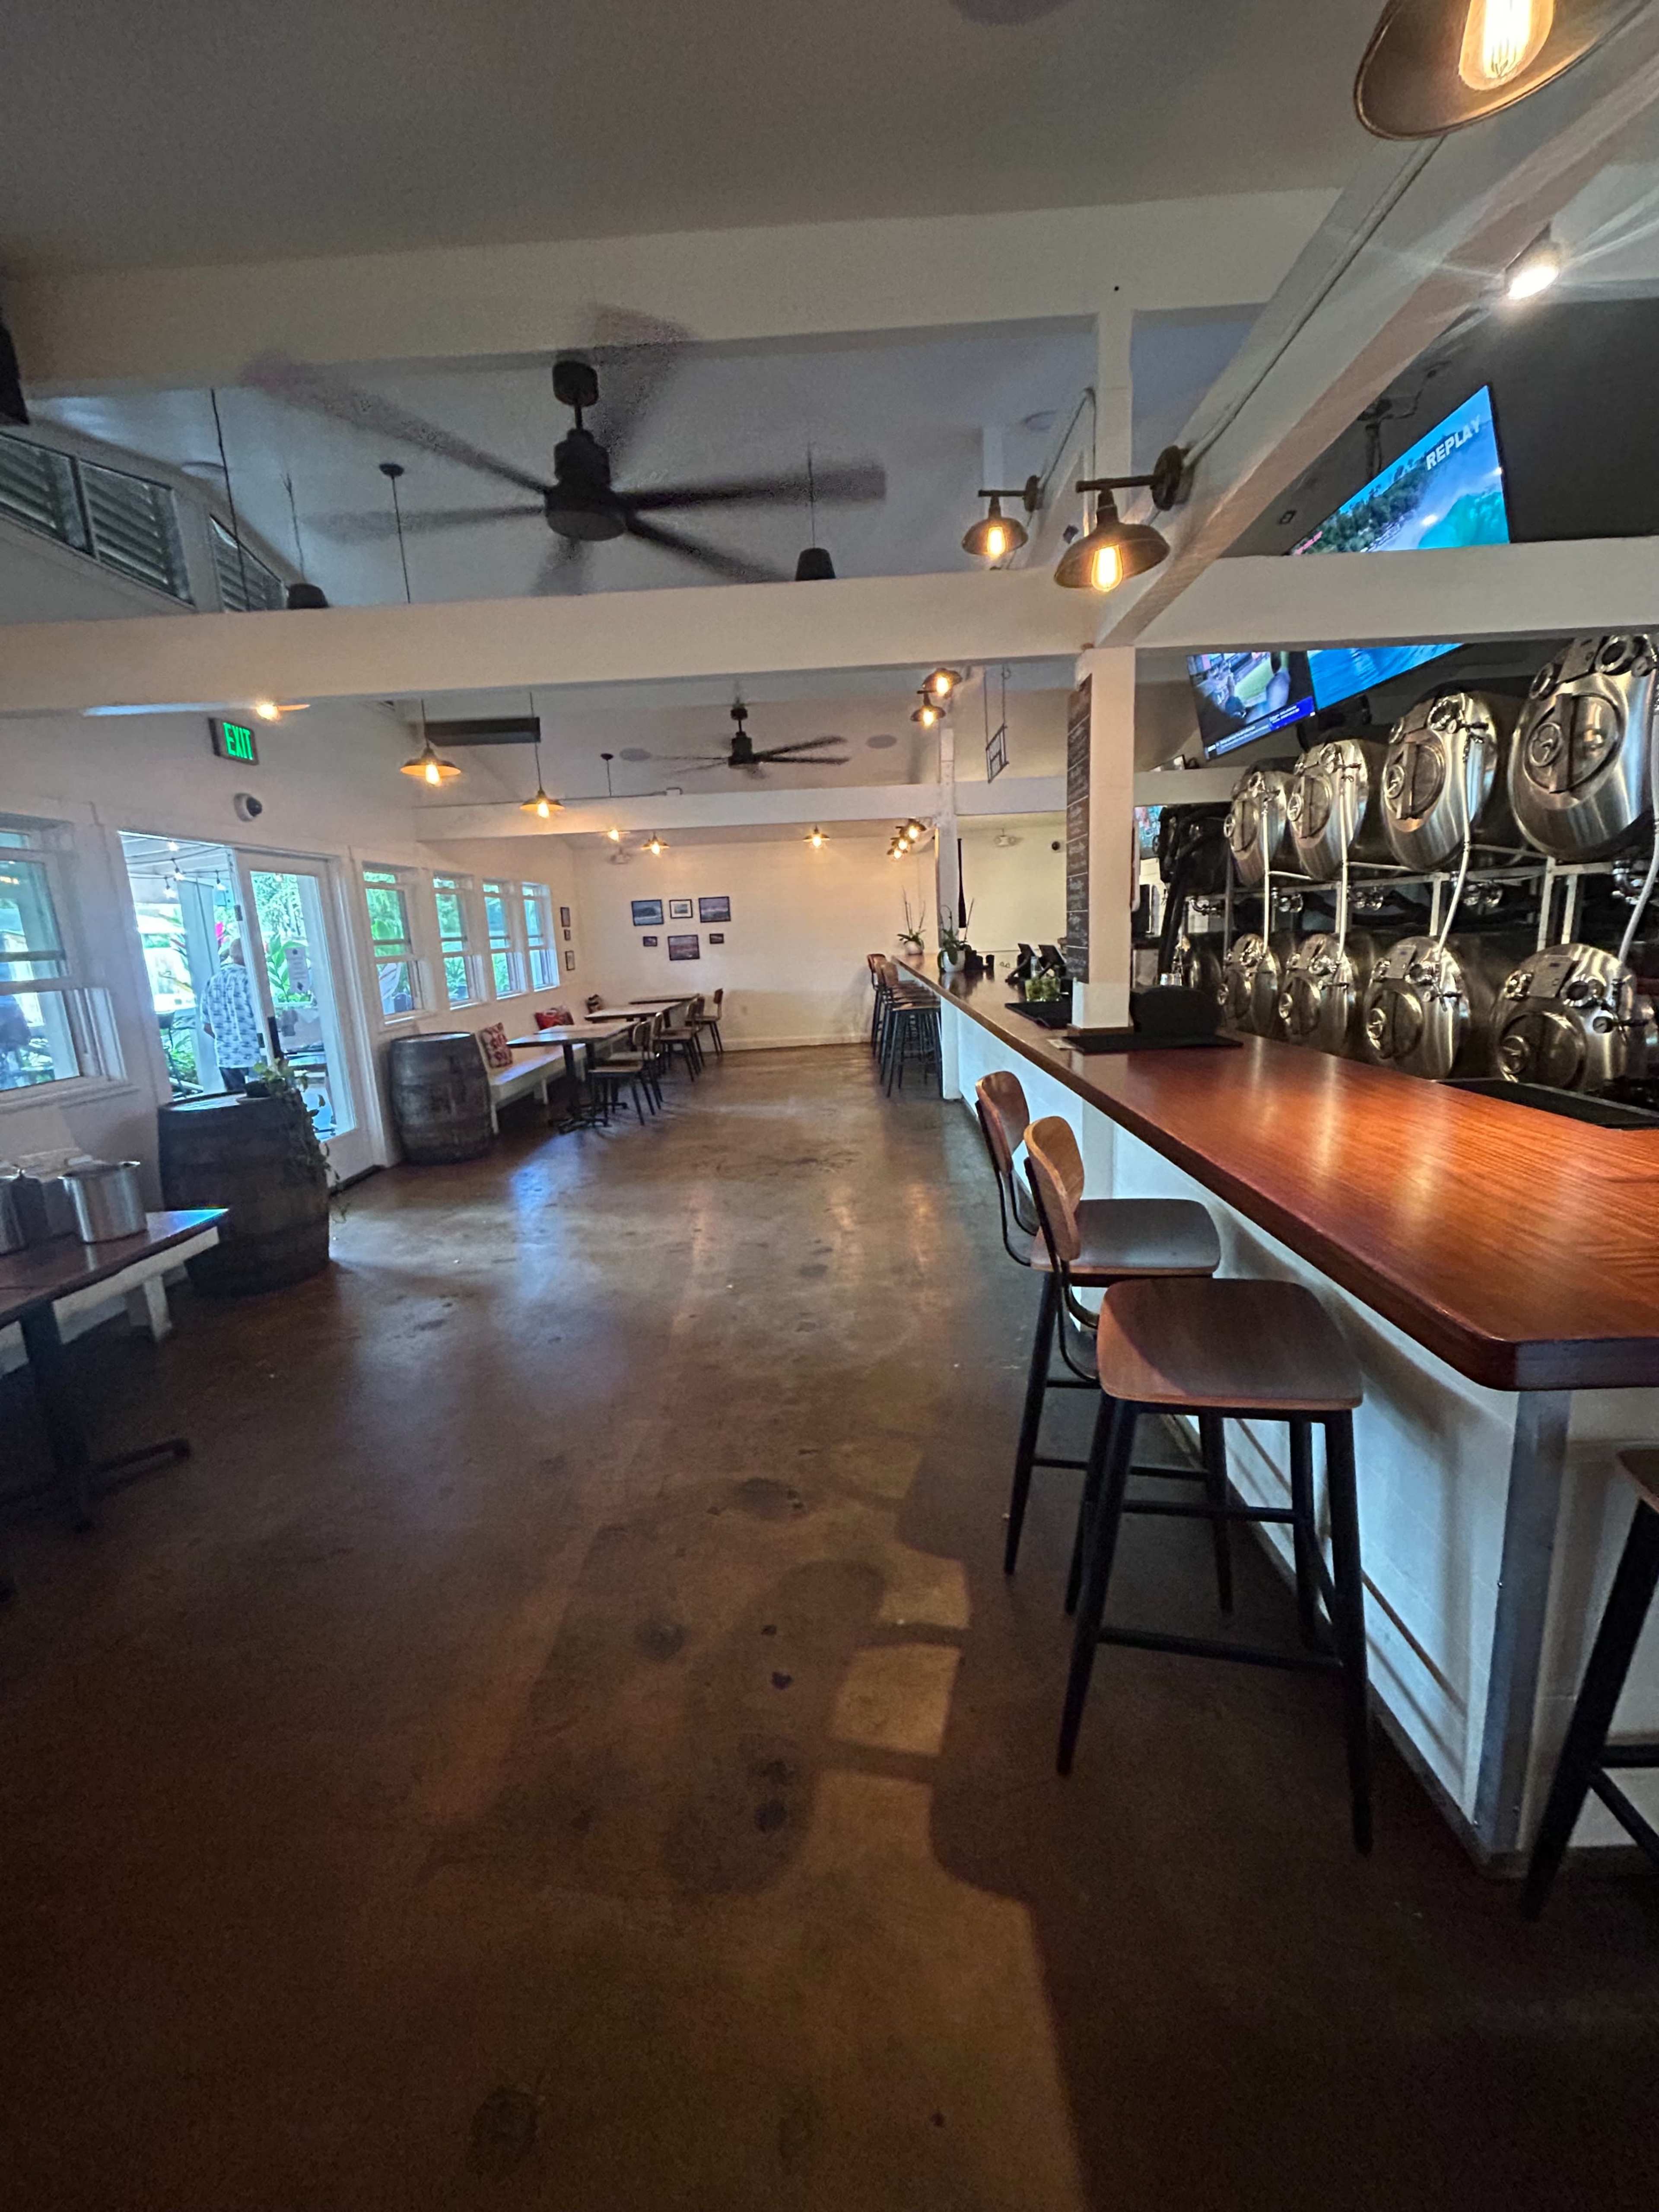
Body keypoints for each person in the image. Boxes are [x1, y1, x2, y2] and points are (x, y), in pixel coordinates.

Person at [197, 934, 265, 1091]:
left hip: (226, 1058)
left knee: (237, 1108)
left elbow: (207, 1026)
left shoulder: (213, 982)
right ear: (253, 953)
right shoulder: (251, 981)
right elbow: (263, 1020)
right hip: (256, 1058)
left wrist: (228, 1040)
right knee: (265, 1108)